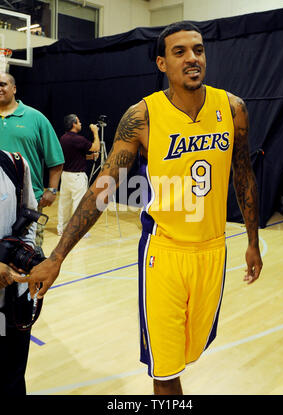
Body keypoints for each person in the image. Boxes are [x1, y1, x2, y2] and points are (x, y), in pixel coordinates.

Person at [14, 22, 263, 395]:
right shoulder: (142, 116)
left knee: (190, 353)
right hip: (163, 251)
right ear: (162, 63)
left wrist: (253, 242)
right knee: (164, 370)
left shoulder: (232, 108)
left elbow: (243, 176)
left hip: (213, 248)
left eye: (198, 50)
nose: (192, 58)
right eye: (180, 52)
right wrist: (59, 255)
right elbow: (104, 186)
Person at [0, 72, 64, 248]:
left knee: (28, 255)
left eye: (2, 84)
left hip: (27, 202)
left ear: (14, 88)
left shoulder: (35, 118)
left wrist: (51, 189)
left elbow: (56, 159)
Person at [0, 150, 37, 395]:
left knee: (13, 379)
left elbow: (30, 219)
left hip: (14, 299)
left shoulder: (15, 164)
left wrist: (19, 260)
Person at [57, 114, 100, 236]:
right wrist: (95, 132)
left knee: (64, 203)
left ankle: (62, 228)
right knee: (79, 204)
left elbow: (73, 156)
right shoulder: (77, 139)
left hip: (65, 175)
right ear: (74, 124)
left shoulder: (63, 138)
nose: (81, 123)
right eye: (79, 121)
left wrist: (89, 157)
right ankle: (78, 231)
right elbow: (96, 147)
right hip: (77, 177)